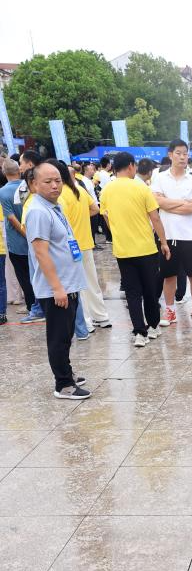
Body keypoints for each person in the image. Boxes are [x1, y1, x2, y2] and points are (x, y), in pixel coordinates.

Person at [24, 160, 90, 399]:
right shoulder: (38, 211)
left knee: (66, 334)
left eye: (58, 180)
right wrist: (57, 288)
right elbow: (41, 253)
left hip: (67, 283)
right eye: (48, 181)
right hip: (57, 287)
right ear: (34, 184)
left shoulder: (54, 206)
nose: (55, 185)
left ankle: (67, 373)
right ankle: (63, 384)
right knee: (58, 337)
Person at [100, 151, 170, 347]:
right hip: (146, 249)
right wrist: (164, 242)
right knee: (150, 290)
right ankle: (153, 326)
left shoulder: (106, 190)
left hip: (123, 250)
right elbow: (155, 218)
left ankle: (139, 332)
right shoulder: (142, 188)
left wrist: (118, 233)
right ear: (131, 166)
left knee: (132, 293)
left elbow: (106, 217)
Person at [152, 139, 192, 329]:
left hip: (189, 236)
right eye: (178, 153)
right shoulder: (159, 177)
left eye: (185, 153)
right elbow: (157, 202)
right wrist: (183, 202)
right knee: (169, 276)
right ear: (170, 154)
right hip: (168, 236)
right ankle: (170, 310)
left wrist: (169, 203)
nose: (183, 157)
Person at [55, 159, 111, 331]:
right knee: (92, 283)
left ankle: (86, 322)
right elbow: (95, 209)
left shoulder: (60, 196)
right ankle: (101, 316)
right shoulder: (78, 189)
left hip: (71, 246)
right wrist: (81, 219)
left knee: (78, 286)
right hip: (86, 243)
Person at [0, 158, 44, 323]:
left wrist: (26, 234)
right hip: (36, 238)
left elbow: (11, 218)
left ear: (4, 172)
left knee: (25, 278)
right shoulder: (28, 187)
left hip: (18, 243)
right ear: (18, 170)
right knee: (38, 274)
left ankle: (33, 307)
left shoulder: (3, 192)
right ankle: (41, 305)